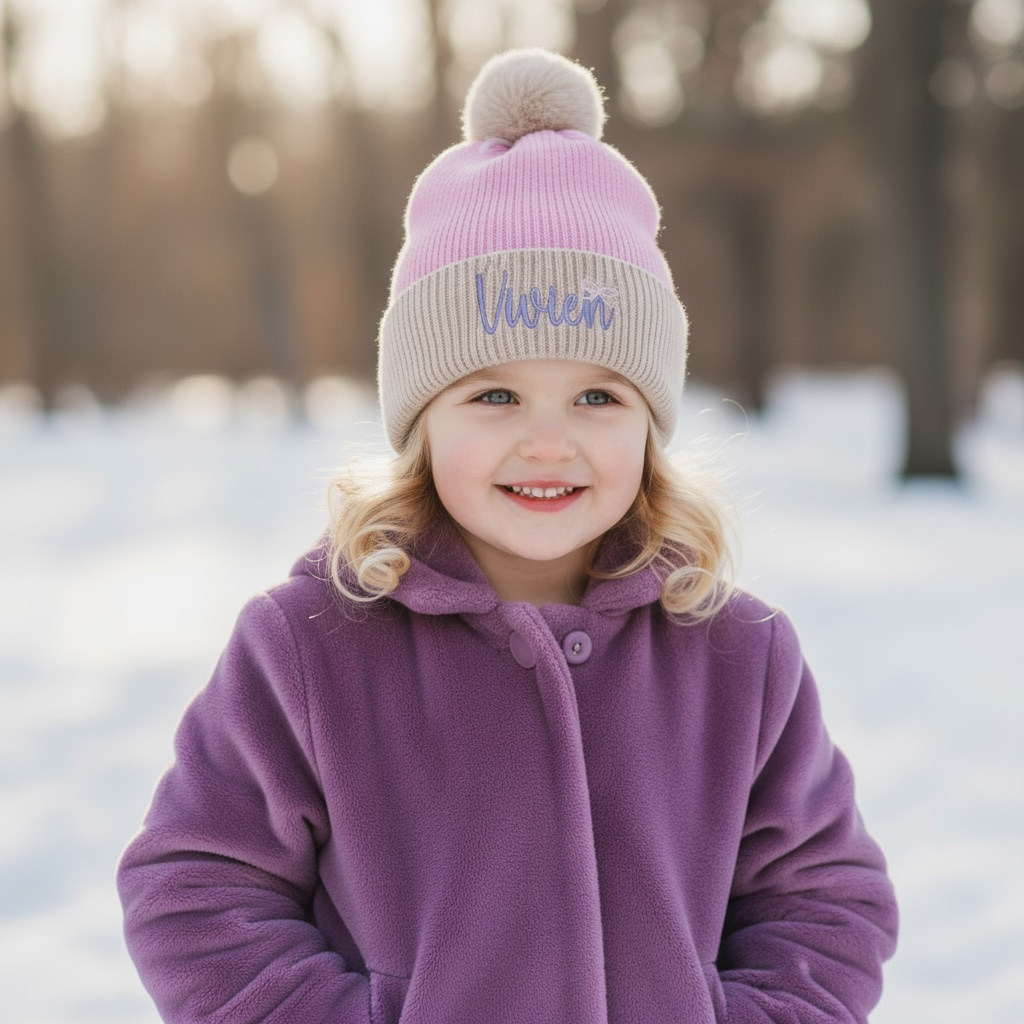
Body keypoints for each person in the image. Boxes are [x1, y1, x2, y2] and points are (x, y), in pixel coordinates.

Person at [117, 48, 897, 1024]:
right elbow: (193, 890)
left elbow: (825, 901)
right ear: (421, 422)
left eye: (597, 397)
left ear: (649, 425)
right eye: (494, 395)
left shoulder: (739, 657)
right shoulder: (310, 647)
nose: (548, 440)